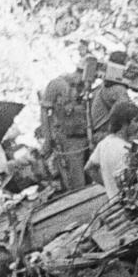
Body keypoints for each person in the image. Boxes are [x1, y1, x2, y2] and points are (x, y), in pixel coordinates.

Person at [40, 58, 97, 190]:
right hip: (69, 141)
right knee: (78, 183)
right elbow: (44, 111)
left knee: (92, 179)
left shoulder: (87, 88)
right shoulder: (57, 84)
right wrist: (48, 139)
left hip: (87, 139)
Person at [86, 101, 138, 193]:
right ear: (125, 123)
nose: (137, 125)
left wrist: (108, 186)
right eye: (135, 121)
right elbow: (137, 183)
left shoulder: (104, 143)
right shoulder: (127, 149)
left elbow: (89, 168)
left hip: (114, 198)